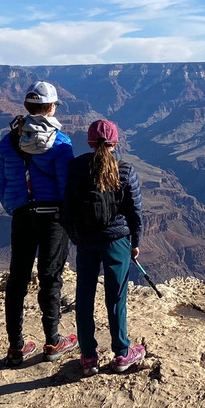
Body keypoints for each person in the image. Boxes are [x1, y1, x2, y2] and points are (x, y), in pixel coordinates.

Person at [0, 81, 78, 367]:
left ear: (27, 107)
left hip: (22, 215)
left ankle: (16, 347)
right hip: (53, 217)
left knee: (17, 278)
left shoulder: (8, 142)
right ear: (51, 107)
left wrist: (13, 206)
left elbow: (1, 181)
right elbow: (66, 186)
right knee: (50, 278)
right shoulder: (61, 143)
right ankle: (52, 342)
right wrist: (70, 217)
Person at [64, 118, 146, 376]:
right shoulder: (125, 170)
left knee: (84, 297)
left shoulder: (76, 167)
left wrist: (76, 237)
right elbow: (135, 212)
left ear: (90, 141)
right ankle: (122, 353)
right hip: (117, 242)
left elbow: (66, 208)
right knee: (116, 297)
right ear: (115, 142)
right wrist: (135, 243)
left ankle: (88, 357)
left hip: (86, 242)